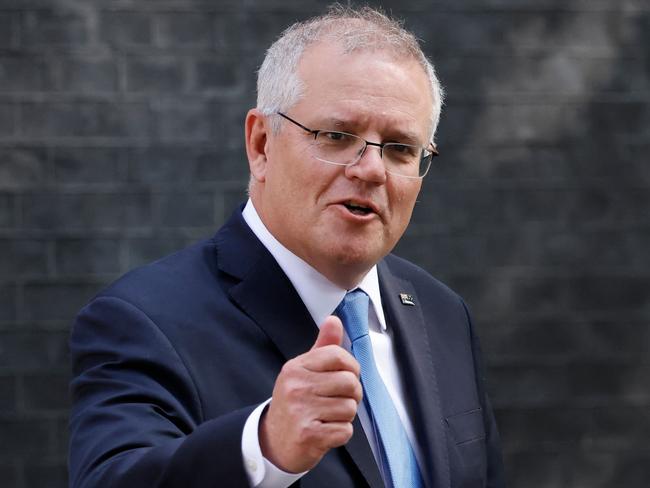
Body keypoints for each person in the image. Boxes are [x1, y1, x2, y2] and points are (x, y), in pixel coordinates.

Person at [69, 5, 504, 488]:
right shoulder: (145, 321)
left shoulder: (443, 314)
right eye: (338, 136)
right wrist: (265, 447)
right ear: (261, 144)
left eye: (401, 148)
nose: (372, 169)